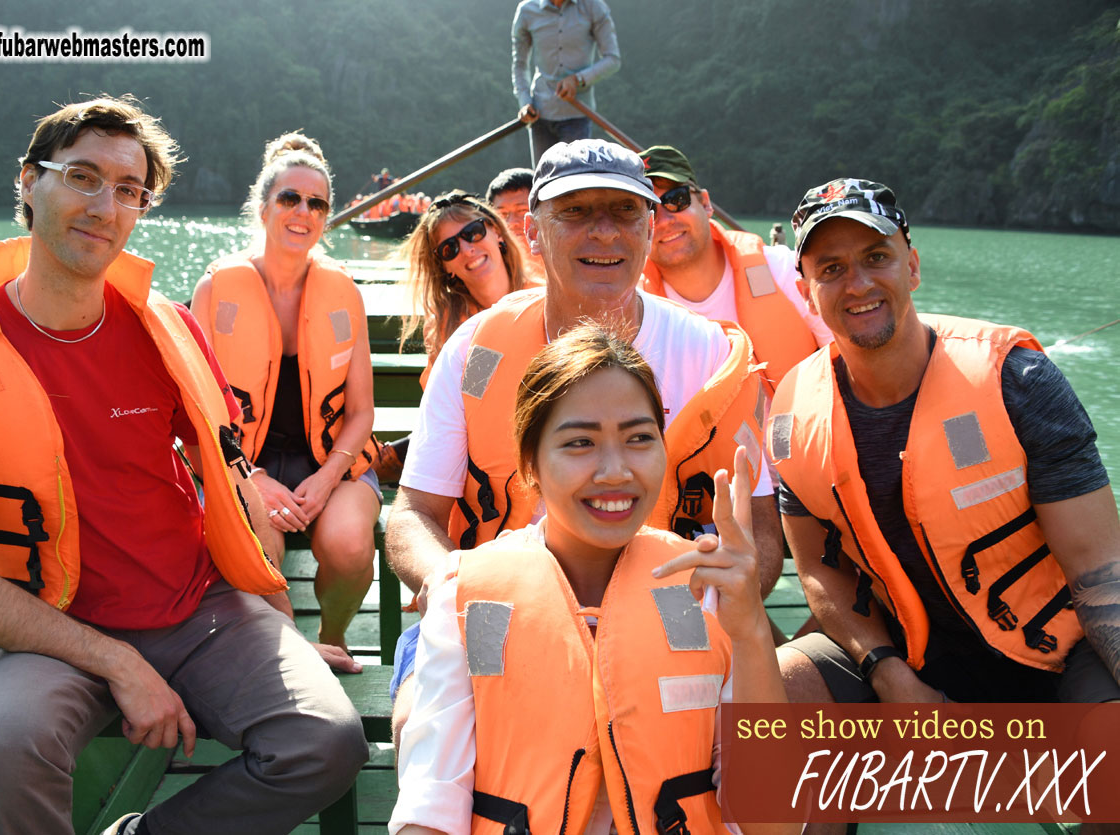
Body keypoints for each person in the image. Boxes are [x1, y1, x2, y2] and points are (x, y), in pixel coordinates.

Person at [0, 97, 366, 835]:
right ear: (28, 182)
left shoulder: (169, 330)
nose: (104, 206)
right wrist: (117, 661)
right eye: (81, 177)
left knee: (325, 740)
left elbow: (231, 484)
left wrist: (283, 627)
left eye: (127, 190)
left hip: (199, 609)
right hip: (50, 623)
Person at [385, 138, 783, 743]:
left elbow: (760, 532)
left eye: (624, 211)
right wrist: (449, 585)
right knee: (427, 726)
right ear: (533, 232)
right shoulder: (474, 352)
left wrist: (700, 616)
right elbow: (413, 514)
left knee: (767, 731)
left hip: (669, 605)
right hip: (492, 602)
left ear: (650, 228)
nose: (604, 233)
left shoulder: (706, 354)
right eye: (575, 211)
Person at [390, 325, 792, 835]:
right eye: (580, 442)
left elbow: (771, 821)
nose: (614, 471)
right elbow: (430, 807)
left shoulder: (708, 591)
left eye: (639, 438)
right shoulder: (464, 595)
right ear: (530, 464)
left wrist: (752, 632)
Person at [769, 177, 1120, 708]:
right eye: (832, 269)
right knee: (770, 693)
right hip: (908, 656)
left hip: (1056, 655)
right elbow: (819, 569)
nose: (858, 284)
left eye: (876, 256)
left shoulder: (1017, 380)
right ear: (806, 292)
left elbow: (1100, 572)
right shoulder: (794, 414)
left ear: (911, 265)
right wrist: (888, 674)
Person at [192, 132, 381, 654]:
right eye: (290, 198)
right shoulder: (217, 288)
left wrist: (326, 479)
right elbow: (199, 408)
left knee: (347, 546)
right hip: (242, 461)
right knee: (260, 538)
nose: (304, 212)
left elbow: (362, 411)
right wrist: (250, 479)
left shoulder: (343, 292)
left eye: (316, 203)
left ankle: (333, 637)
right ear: (263, 206)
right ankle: (291, 652)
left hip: (331, 458)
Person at [639, 145, 832, 392]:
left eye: (677, 200)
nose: (665, 220)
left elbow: (848, 364)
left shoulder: (784, 272)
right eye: (649, 211)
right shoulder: (633, 309)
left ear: (706, 203)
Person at [398, 190, 528, 379]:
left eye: (473, 233)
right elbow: (471, 396)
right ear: (444, 266)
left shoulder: (546, 298)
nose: (468, 250)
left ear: (497, 232)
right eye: (450, 248)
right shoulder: (447, 326)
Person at [512, 0, 621, 165]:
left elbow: (613, 59)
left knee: (574, 183)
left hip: (577, 113)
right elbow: (519, 64)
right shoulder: (527, 10)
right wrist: (525, 102)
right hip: (540, 114)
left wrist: (578, 79)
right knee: (544, 185)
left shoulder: (593, 7)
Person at [485, 166, 544, 279]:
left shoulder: (569, 265)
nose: (511, 222)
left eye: (522, 211)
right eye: (502, 214)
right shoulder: (491, 277)